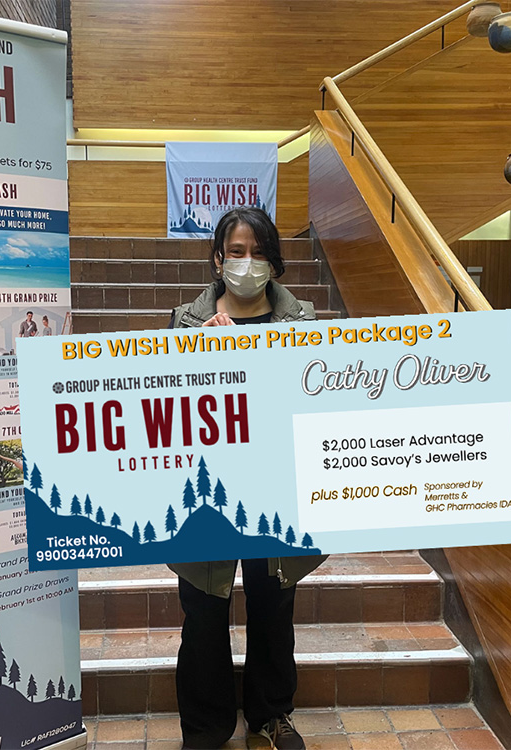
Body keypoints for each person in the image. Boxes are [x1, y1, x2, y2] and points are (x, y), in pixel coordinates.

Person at [167, 207, 326, 750]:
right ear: (217, 258)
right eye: (236, 251)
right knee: (203, 613)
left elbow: (312, 401)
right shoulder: (186, 322)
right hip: (205, 493)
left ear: (275, 262)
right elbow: (166, 410)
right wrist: (198, 356)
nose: (246, 263)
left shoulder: (302, 323)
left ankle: (270, 714)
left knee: (274, 607)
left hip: (276, 487)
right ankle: (206, 728)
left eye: (258, 252)